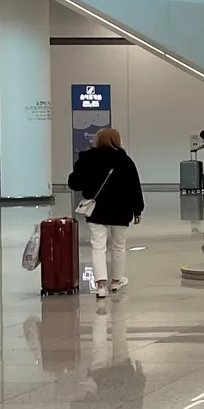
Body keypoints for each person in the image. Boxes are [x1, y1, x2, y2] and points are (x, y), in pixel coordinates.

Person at [66, 126, 143, 299]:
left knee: (98, 246)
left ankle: (100, 285)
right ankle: (116, 281)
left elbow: (74, 183)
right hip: (121, 209)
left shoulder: (87, 158)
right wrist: (138, 209)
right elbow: (134, 187)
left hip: (97, 209)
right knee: (118, 247)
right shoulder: (125, 160)